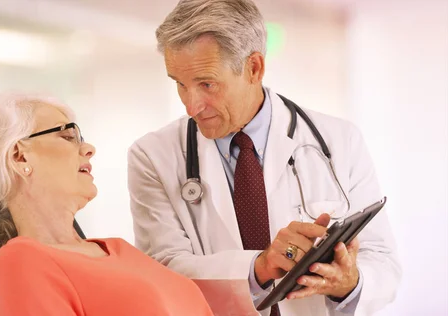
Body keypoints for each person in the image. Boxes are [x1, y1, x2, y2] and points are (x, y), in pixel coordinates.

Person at [127, 1, 401, 315]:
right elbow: (163, 272)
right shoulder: (151, 156)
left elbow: (382, 261)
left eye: (207, 84)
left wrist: (349, 283)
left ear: (254, 68)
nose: (191, 107)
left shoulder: (340, 140)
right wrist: (259, 268)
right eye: (179, 84)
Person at [0, 92, 214, 316]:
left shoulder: (118, 248)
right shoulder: (22, 261)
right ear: (19, 155)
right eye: (68, 136)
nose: (88, 148)